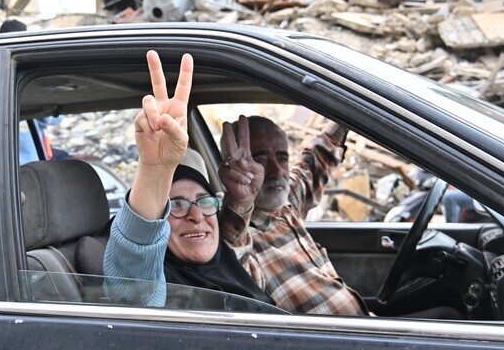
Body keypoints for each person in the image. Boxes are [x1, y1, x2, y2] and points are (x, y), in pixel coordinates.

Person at [103, 51, 274, 310]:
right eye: (176, 205)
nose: (197, 216)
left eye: (204, 201)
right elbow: (135, 274)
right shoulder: (161, 294)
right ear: (159, 226)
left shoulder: (230, 266)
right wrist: (154, 170)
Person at [217, 115, 369, 315]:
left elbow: (318, 158)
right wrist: (240, 201)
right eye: (260, 161)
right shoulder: (234, 236)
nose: (278, 171)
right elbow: (232, 257)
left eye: (282, 158)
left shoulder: (287, 203)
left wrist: (348, 112)